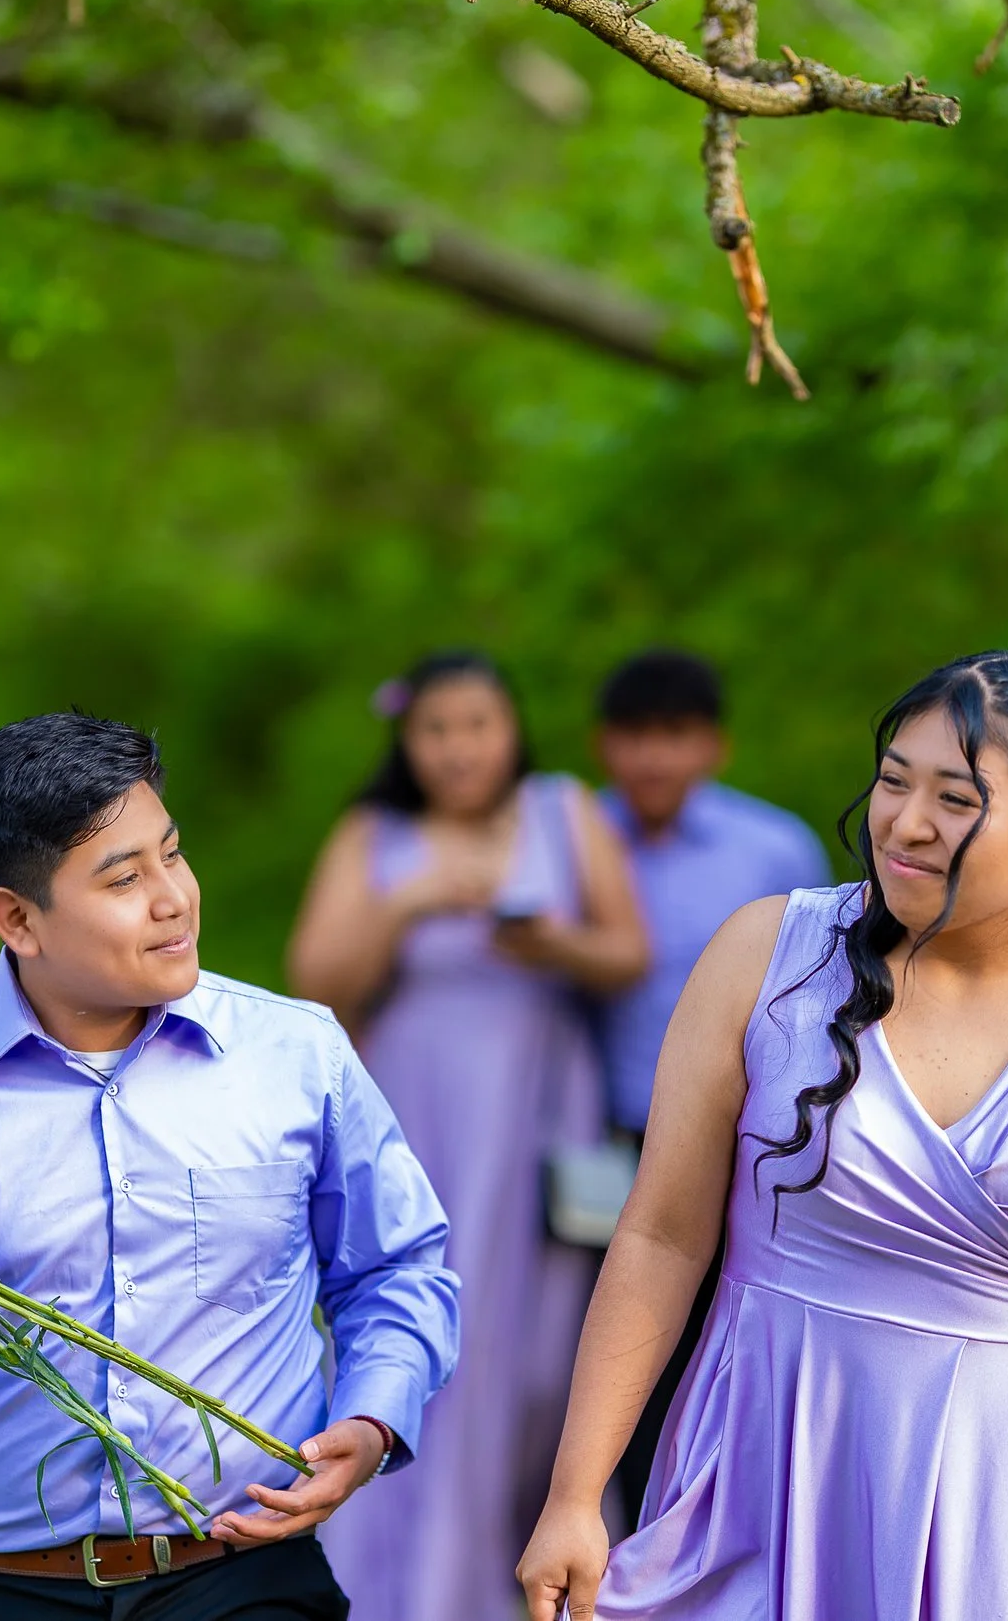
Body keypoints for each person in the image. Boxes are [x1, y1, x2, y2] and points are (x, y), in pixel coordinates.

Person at [519, 651, 1008, 1621]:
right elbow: (661, 1234)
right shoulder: (764, 955)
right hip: (771, 1470)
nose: (905, 821)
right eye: (892, 779)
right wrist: (576, 1496)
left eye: (956, 798)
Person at [0, 712, 461, 1621]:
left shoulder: (299, 1056)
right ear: (18, 917)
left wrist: (371, 1422)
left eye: (172, 855)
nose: (172, 896)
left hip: (243, 1576)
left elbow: (397, 1267)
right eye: (125, 878)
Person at [287, 650, 647, 1621]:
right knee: (416, 1323)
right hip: (417, 1117)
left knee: (540, 1355)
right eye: (436, 728)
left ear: (510, 727)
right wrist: (405, 902)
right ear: (408, 738)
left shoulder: (562, 809)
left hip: (539, 1119)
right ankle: (403, 1577)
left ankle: (533, 1563)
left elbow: (629, 952)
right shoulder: (375, 831)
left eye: (477, 723)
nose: (458, 747)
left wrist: (550, 942)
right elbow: (315, 981)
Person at [587, 650, 828, 1518]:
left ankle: (730, 1539)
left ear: (714, 746)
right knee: (617, 1355)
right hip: (604, 1142)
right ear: (602, 744)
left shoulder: (774, 848)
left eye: (674, 736)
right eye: (634, 736)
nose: (653, 758)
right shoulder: (577, 841)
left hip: (741, 1148)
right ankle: (634, 1551)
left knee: (728, 1348)